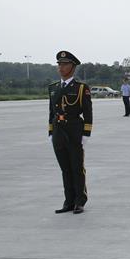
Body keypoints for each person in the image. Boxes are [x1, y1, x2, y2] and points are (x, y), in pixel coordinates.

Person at [48, 50, 92, 214]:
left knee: (77, 168)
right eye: (59, 64)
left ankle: (80, 200)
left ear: (73, 67)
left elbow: (88, 113)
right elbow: (51, 112)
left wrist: (86, 134)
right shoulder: (53, 88)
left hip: (74, 131)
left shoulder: (81, 88)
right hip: (58, 131)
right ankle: (69, 201)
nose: (61, 67)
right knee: (65, 169)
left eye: (65, 64)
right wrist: (51, 132)